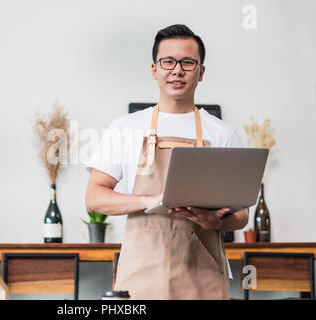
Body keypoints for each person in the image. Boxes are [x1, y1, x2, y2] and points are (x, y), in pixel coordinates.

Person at [85, 24, 249, 299]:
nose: (177, 70)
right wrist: (150, 200)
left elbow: (242, 215)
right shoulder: (125, 128)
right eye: (168, 61)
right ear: (155, 70)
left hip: (203, 274)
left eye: (188, 62)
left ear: (201, 72)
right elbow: (94, 197)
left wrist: (216, 222)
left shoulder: (222, 133)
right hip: (141, 273)